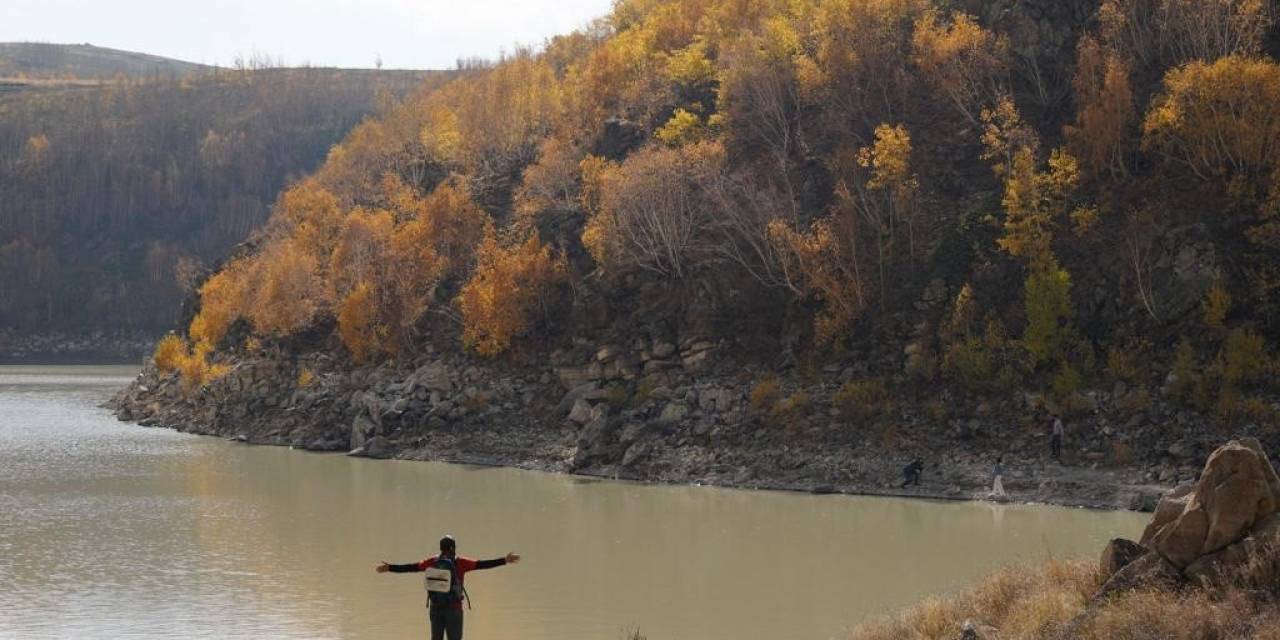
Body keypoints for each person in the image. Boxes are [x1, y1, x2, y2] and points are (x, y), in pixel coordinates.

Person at [376, 535, 520, 640]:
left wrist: (390, 567)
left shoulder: (431, 561)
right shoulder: (461, 562)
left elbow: (411, 567)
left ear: (441, 548)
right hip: (454, 610)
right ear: (453, 548)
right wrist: (504, 560)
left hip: (435, 608)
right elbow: (482, 564)